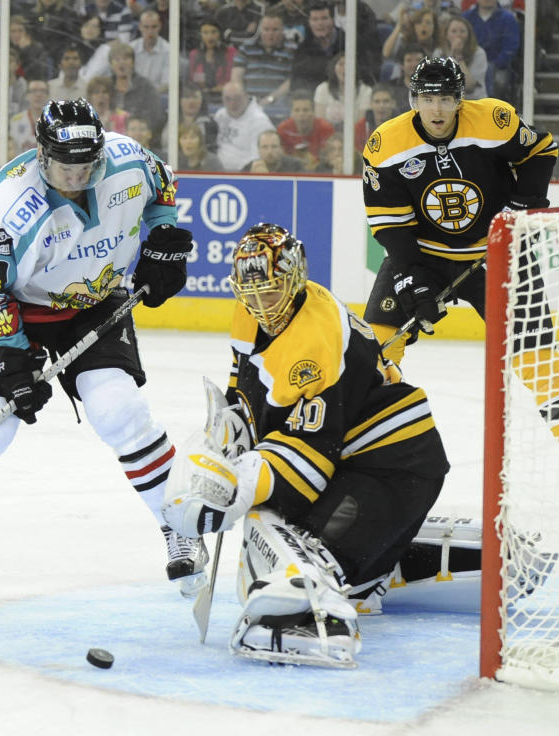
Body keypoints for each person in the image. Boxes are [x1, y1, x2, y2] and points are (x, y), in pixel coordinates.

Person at [0, 98, 210, 599]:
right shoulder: (5, 210)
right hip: (14, 315)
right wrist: (15, 358)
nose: (78, 176)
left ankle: (180, 527)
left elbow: (162, 181)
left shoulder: (127, 160)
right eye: (65, 165)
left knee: (119, 410)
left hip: (95, 304)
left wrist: (163, 233)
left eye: (87, 165)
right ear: (41, 155)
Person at [160, 223, 450, 666]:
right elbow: (246, 382)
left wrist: (234, 488)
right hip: (356, 458)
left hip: (393, 466)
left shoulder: (313, 343)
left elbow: (308, 465)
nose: (260, 305)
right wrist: (234, 426)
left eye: (270, 294)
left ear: (294, 280)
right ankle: (371, 571)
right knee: (274, 518)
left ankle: (317, 610)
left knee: (286, 531)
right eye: (250, 294)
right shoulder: (254, 308)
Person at [361, 57, 559, 508]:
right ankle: (353, 451)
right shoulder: (385, 144)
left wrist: (522, 202)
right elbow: (389, 224)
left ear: (460, 98)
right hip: (423, 254)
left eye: (446, 99)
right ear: (413, 99)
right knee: (372, 349)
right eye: (427, 99)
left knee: (535, 359)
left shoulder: (493, 120)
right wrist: (414, 281)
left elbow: (542, 150)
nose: (436, 109)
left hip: (497, 252)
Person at [230, 10, 295, 124]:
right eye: (266, 29)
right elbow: (236, 77)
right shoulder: (246, 48)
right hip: (247, 106)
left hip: (278, 107)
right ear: (260, 30)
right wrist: (244, 99)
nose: (270, 33)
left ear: (282, 30)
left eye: (275, 29)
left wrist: (270, 99)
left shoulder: (291, 50)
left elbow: (291, 81)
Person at [462, 0, 519, 103]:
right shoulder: (466, 18)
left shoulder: (508, 19)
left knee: (498, 81)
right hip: (469, 64)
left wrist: (492, 66)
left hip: (498, 67)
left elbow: (510, 48)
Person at [213, 79, 275, 171]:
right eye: (228, 99)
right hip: (216, 171)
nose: (232, 103)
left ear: (246, 96)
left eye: (237, 98)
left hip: (243, 174)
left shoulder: (259, 121)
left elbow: (258, 160)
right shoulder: (220, 115)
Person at [276, 87, 335, 170]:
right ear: (291, 113)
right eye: (297, 110)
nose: (301, 114)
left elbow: (331, 159)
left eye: (306, 110)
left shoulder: (326, 129)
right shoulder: (283, 129)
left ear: (313, 112)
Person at [188, 17, 237, 107]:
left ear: (220, 34)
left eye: (214, 32)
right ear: (200, 35)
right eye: (205, 33)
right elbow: (192, 82)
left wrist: (223, 87)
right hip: (202, 99)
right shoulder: (194, 54)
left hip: (226, 97)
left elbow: (234, 79)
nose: (210, 37)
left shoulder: (231, 52)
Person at [438, 15, 487, 100]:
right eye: (454, 31)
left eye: (462, 31)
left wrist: (459, 57)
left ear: (469, 34)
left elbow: (469, 86)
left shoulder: (479, 53)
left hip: (474, 101)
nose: (458, 35)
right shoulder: (439, 53)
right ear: (447, 35)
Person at [130, 9, 170, 94]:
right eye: (146, 27)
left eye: (154, 27)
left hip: (158, 97)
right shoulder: (131, 48)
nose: (150, 31)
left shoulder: (168, 51)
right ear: (140, 27)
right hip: (133, 95)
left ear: (160, 26)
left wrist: (149, 96)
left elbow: (166, 84)